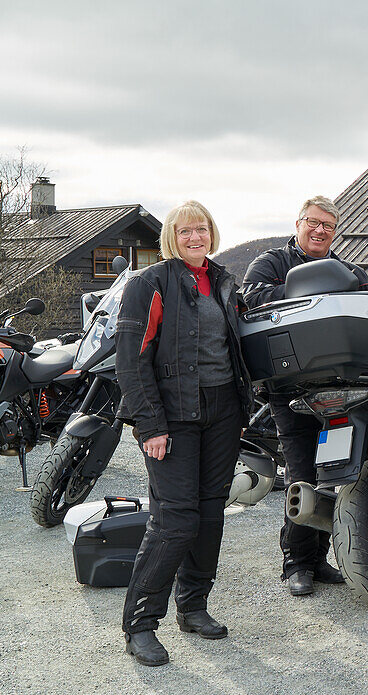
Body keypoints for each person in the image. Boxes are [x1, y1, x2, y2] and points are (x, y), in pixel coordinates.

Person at [117, 201, 252, 666]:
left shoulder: (224, 282)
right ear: (171, 238)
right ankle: (140, 624)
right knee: (174, 521)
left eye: (202, 229)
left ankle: (193, 607)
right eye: (185, 231)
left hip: (223, 412)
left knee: (210, 515)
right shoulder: (149, 283)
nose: (195, 237)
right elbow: (131, 360)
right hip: (171, 415)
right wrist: (149, 424)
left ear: (212, 233)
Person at [241, 195, 368, 596]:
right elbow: (250, 299)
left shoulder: (349, 270)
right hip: (289, 390)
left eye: (328, 226)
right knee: (301, 473)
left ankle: (320, 559)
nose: (319, 231)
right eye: (313, 223)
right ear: (298, 224)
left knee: (336, 475)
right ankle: (295, 562)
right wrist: (305, 291)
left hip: (341, 393)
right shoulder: (270, 263)